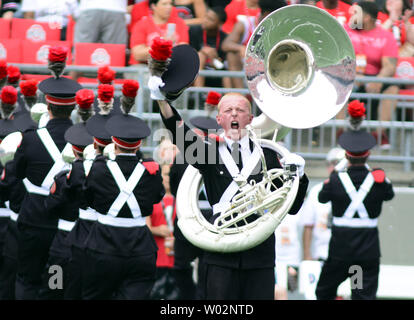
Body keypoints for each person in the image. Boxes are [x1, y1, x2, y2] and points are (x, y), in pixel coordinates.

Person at [148, 42, 309, 299]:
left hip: (260, 254)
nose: (234, 113)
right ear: (219, 120)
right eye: (228, 110)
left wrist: (300, 177)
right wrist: (162, 101)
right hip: (221, 252)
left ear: (250, 118)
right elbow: (180, 134)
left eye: (241, 110)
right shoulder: (210, 152)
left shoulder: (269, 154)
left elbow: (293, 206)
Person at [81, 80, 165, 300]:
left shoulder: (99, 168)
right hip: (140, 246)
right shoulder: (151, 170)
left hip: (102, 244)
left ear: (114, 143)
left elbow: (88, 198)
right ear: (138, 145)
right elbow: (157, 197)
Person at [14, 46, 82, 300]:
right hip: (64, 225)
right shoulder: (82, 141)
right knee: (55, 282)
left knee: (27, 279)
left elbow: (16, 173)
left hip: (32, 221)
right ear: (73, 108)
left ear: (47, 106)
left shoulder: (30, 139)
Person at [315, 99, 395, 300]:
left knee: (324, 291)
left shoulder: (335, 180)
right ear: (368, 155)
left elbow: (321, 198)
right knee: (360, 294)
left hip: (340, 253)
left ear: (347, 155)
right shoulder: (379, 180)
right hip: (364, 254)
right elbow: (389, 194)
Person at [37, 89, 94, 300]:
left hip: (62, 244)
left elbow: (49, 206)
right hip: (91, 242)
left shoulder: (64, 177)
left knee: (53, 291)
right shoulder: (102, 176)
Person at [344, 1, 399, 149]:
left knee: (392, 88)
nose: (351, 16)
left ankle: (380, 134)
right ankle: (341, 132)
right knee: (339, 85)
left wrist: (378, 80)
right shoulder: (346, 30)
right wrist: (353, 74)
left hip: (375, 77)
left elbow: (389, 66)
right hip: (350, 76)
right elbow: (338, 57)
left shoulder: (386, 36)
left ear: (367, 17)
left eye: (356, 13)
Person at [221, 0, 286, 88]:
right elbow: (226, 44)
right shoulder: (244, 24)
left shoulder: (279, 28)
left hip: (269, 68)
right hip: (246, 70)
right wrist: (240, 48)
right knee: (232, 55)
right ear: (267, 14)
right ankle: (241, 95)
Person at [301, 147, 346, 262]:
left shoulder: (352, 190)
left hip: (345, 256)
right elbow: (308, 226)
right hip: (320, 255)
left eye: (338, 163)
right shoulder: (317, 191)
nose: (334, 167)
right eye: (331, 164)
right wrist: (307, 256)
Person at [146, 163, 179, 300]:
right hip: (157, 259)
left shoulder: (182, 199)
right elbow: (145, 227)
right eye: (165, 174)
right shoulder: (152, 199)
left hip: (177, 260)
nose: (168, 178)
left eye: (170, 174)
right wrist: (156, 229)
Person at [129, 0, 189, 65]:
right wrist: (162, 45)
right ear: (153, 6)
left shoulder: (179, 23)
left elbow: (183, 53)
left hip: (170, 66)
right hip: (144, 66)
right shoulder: (141, 24)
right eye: (164, 4)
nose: (169, 7)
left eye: (170, 4)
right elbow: (138, 55)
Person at [190, 6, 229, 88]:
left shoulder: (224, 38)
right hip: (196, 73)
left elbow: (223, 67)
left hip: (216, 72)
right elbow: (190, 55)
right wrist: (202, 51)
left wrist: (215, 60)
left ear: (220, 24)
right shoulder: (194, 31)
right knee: (201, 55)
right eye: (206, 17)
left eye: (210, 19)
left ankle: (228, 98)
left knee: (226, 76)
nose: (205, 21)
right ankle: (199, 95)